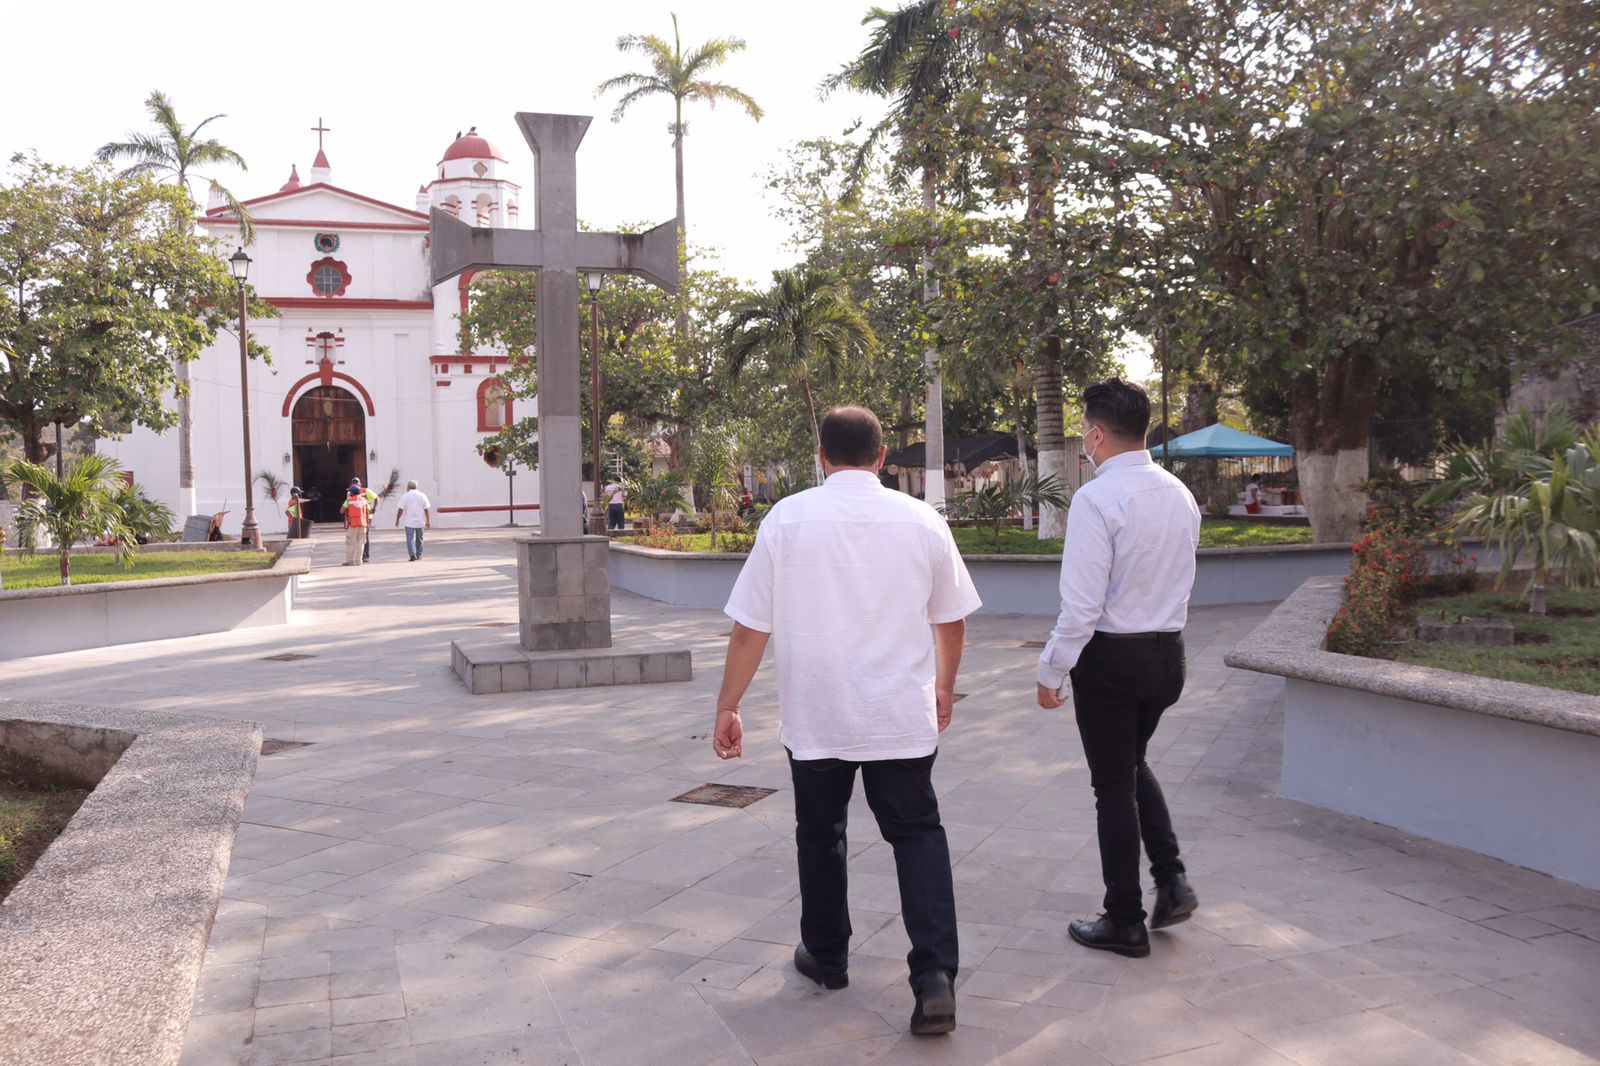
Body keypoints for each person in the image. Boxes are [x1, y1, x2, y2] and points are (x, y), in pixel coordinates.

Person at [714, 406, 980, 1036]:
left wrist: (729, 704)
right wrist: (944, 686)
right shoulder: (923, 520)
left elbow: (751, 628)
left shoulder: (787, 519)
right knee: (917, 834)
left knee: (820, 834)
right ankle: (934, 977)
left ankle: (828, 955)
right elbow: (951, 620)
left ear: (822, 457)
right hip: (900, 714)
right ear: (881, 457)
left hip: (818, 714)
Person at [1036, 378, 1202, 958]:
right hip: (1167, 656)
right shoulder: (1179, 493)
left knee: (1112, 788)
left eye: (1085, 430)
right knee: (1130, 764)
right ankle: (1172, 878)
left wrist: (1051, 668)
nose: (1085, 440)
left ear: (1097, 434)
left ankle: (1125, 919)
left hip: (1112, 660)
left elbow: (1082, 607)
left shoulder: (1097, 499)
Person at [394, 480, 431, 561]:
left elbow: (400, 509)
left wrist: (397, 520)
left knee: (410, 539)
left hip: (409, 522)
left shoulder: (405, 496)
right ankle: (419, 554)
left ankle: (412, 555)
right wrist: (428, 521)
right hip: (420, 521)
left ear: (408, 487)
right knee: (420, 538)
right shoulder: (422, 495)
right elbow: (426, 509)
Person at [351, 477, 380, 561]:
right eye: (354, 482)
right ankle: (358, 556)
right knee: (356, 536)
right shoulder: (350, 492)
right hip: (355, 517)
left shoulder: (365, 491)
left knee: (365, 535)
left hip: (366, 516)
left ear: (360, 484)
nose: (355, 484)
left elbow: (376, 497)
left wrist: (374, 508)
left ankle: (365, 555)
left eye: (357, 482)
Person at [340, 485, 369, 566]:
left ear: (352, 492)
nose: (349, 492)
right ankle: (359, 561)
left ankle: (350, 561)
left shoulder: (349, 500)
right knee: (361, 544)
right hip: (363, 524)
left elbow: (341, 511)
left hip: (353, 525)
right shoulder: (364, 500)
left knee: (351, 544)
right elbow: (367, 512)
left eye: (350, 491)